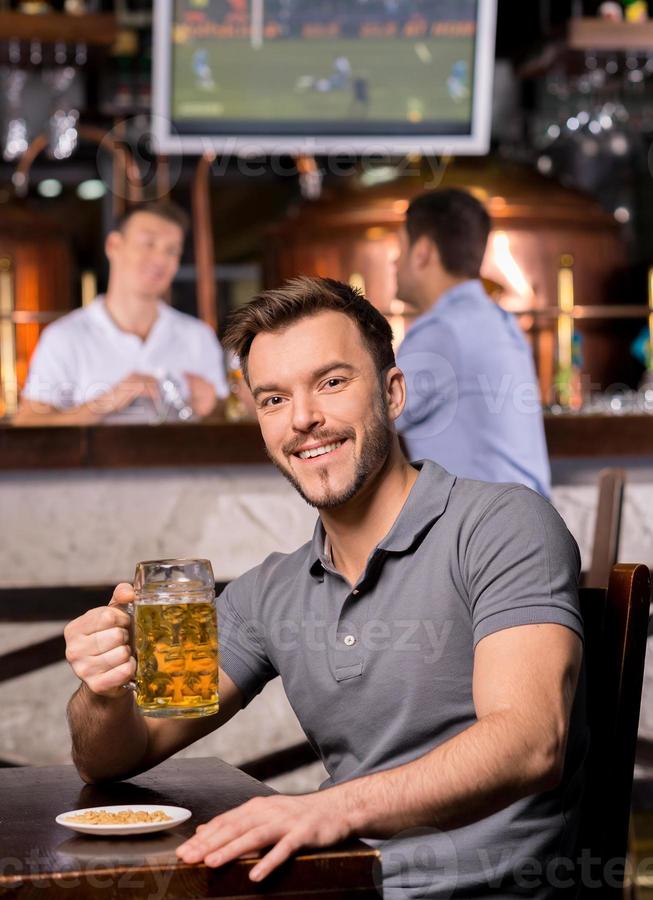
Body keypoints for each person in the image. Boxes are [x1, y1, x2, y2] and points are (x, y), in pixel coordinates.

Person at [64, 277, 586, 898]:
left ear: (393, 393)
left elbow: (530, 742)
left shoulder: (500, 523)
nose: (304, 419)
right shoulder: (270, 591)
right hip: (338, 886)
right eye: (273, 399)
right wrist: (104, 689)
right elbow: (116, 756)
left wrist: (325, 810)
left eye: (332, 383)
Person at [394, 188, 551, 497]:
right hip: (528, 527)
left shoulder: (443, 331)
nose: (394, 262)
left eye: (399, 249)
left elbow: (370, 417)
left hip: (491, 537)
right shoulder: (499, 322)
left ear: (423, 251)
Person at [14, 201, 228, 425]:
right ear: (114, 245)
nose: (160, 259)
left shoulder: (198, 336)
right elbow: (26, 423)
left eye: (171, 250)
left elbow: (226, 422)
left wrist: (210, 409)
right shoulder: (64, 337)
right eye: (148, 244)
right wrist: (109, 400)